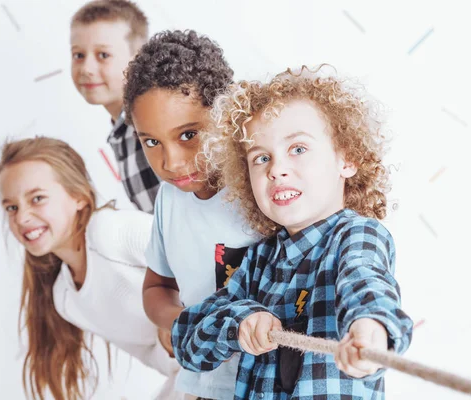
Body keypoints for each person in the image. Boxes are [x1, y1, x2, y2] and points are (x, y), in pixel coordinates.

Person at [172, 68, 414, 399]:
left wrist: (371, 328)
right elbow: (188, 343)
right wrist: (240, 320)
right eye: (261, 158)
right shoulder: (258, 260)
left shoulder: (356, 236)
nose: (276, 169)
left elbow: (365, 281)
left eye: (298, 149)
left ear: (347, 159)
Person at [123, 30, 259, 399]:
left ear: (226, 113)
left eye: (188, 135)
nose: (170, 162)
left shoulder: (263, 189)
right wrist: (179, 321)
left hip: (269, 385)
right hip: (203, 387)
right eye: (151, 141)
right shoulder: (170, 199)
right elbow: (157, 287)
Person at [0, 137, 181, 400]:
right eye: (11, 207)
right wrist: (168, 346)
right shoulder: (65, 298)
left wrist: (174, 319)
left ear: (78, 197)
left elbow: (213, 266)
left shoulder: (112, 233)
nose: (21, 217)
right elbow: (153, 357)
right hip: (192, 373)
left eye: (37, 198)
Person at [70, 0, 161, 213]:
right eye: (78, 55)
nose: (87, 68)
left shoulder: (154, 122)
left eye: (103, 55)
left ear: (138, 58)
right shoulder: (122, 130)